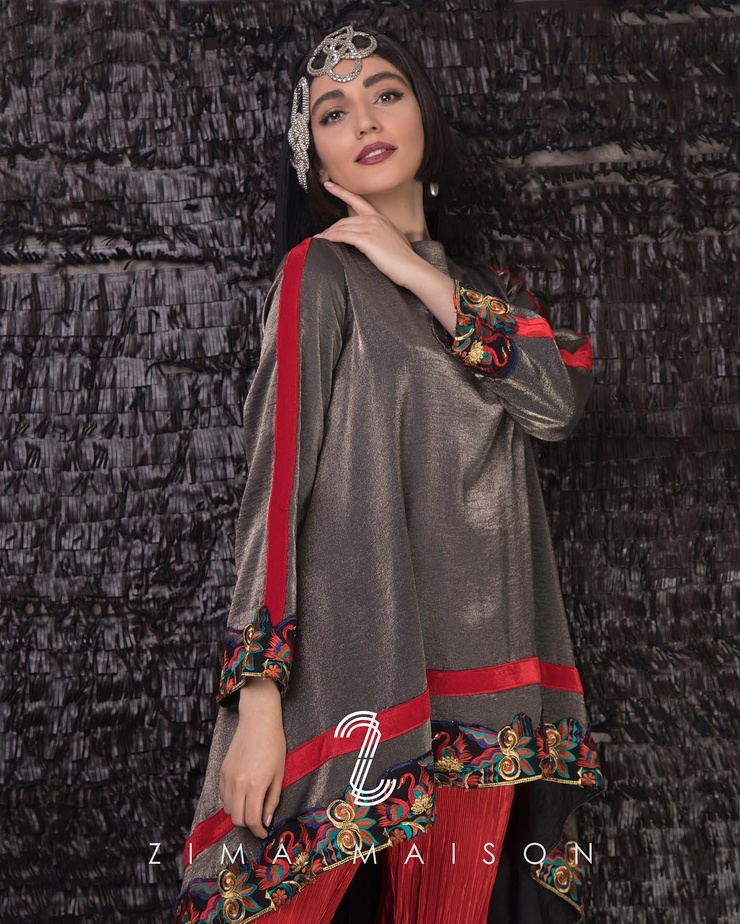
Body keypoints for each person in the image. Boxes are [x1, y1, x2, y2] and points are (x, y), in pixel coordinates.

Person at [173, 23, 605, 924]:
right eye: (333, 112)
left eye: (385, 93)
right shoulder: (318, 277)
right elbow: (274, 492)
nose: (364, 119)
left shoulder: (492, 299)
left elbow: (557, 405)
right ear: (313, 154)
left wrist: (414, 268)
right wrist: (257, 703)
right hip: (363, 691)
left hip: (498, 700)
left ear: (424, 116)